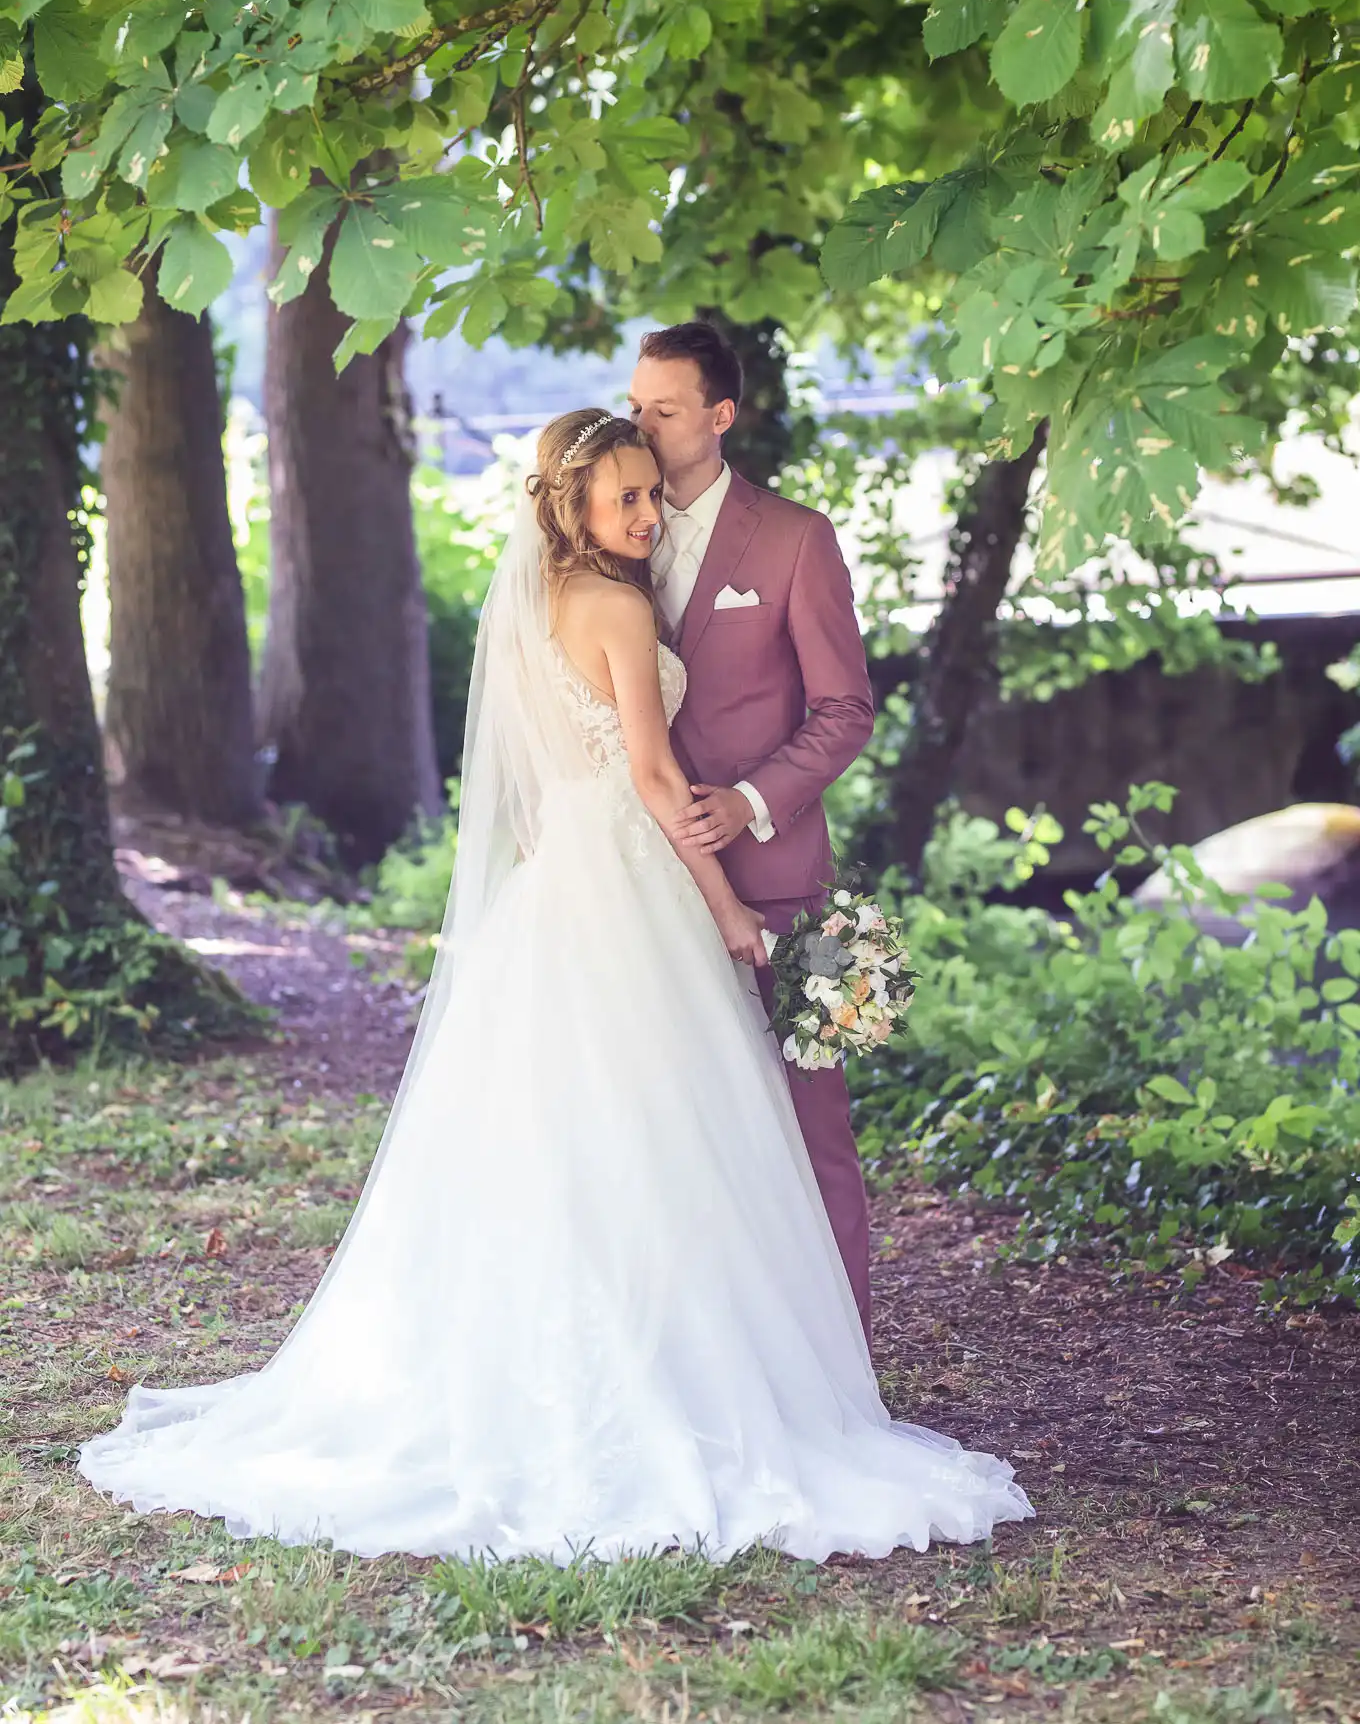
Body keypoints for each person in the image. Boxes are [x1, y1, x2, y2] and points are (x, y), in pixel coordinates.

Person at [78, 410, 1032, 1564]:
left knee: (559, 1129)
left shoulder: (537, 601)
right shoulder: (621, 605)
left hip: (559, 879)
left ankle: (571, 1364)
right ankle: (663, 1379)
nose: (643, 518)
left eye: (647, 496)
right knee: (655, 1128)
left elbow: (544, 775)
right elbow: (649, 770)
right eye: (622, 500)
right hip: (627, 874)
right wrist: (727, 906)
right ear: (572, 507)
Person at [629, 323, 877, 1342]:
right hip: (645, 885)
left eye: (665, 409)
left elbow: (847, 711)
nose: (640, 422)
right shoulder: (612, 536)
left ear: (720, 416)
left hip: (790, 881)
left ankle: (845, 1363)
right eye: (634, 402)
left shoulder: (795, 538)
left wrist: (750, 801)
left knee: (819, 1128)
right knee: (676, 1134)